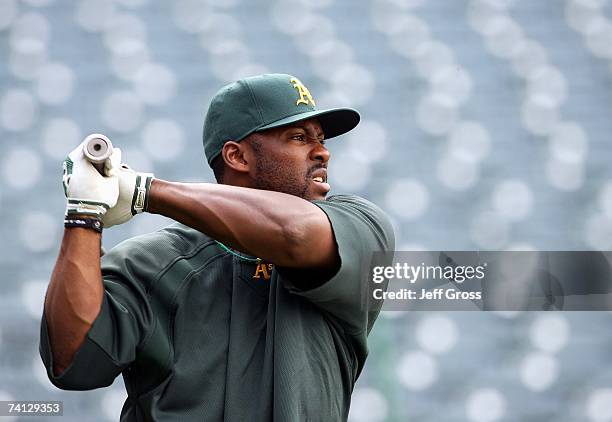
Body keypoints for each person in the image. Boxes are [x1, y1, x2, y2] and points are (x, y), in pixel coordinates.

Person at [40, 73, 395, 421]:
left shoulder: (361, 226)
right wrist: (84, 215)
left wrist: (144, 191)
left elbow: (295, 234)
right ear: (237, 157)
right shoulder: (153, 263)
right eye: (299, 137)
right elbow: (71, 362)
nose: (323, 153)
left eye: (322, 140)